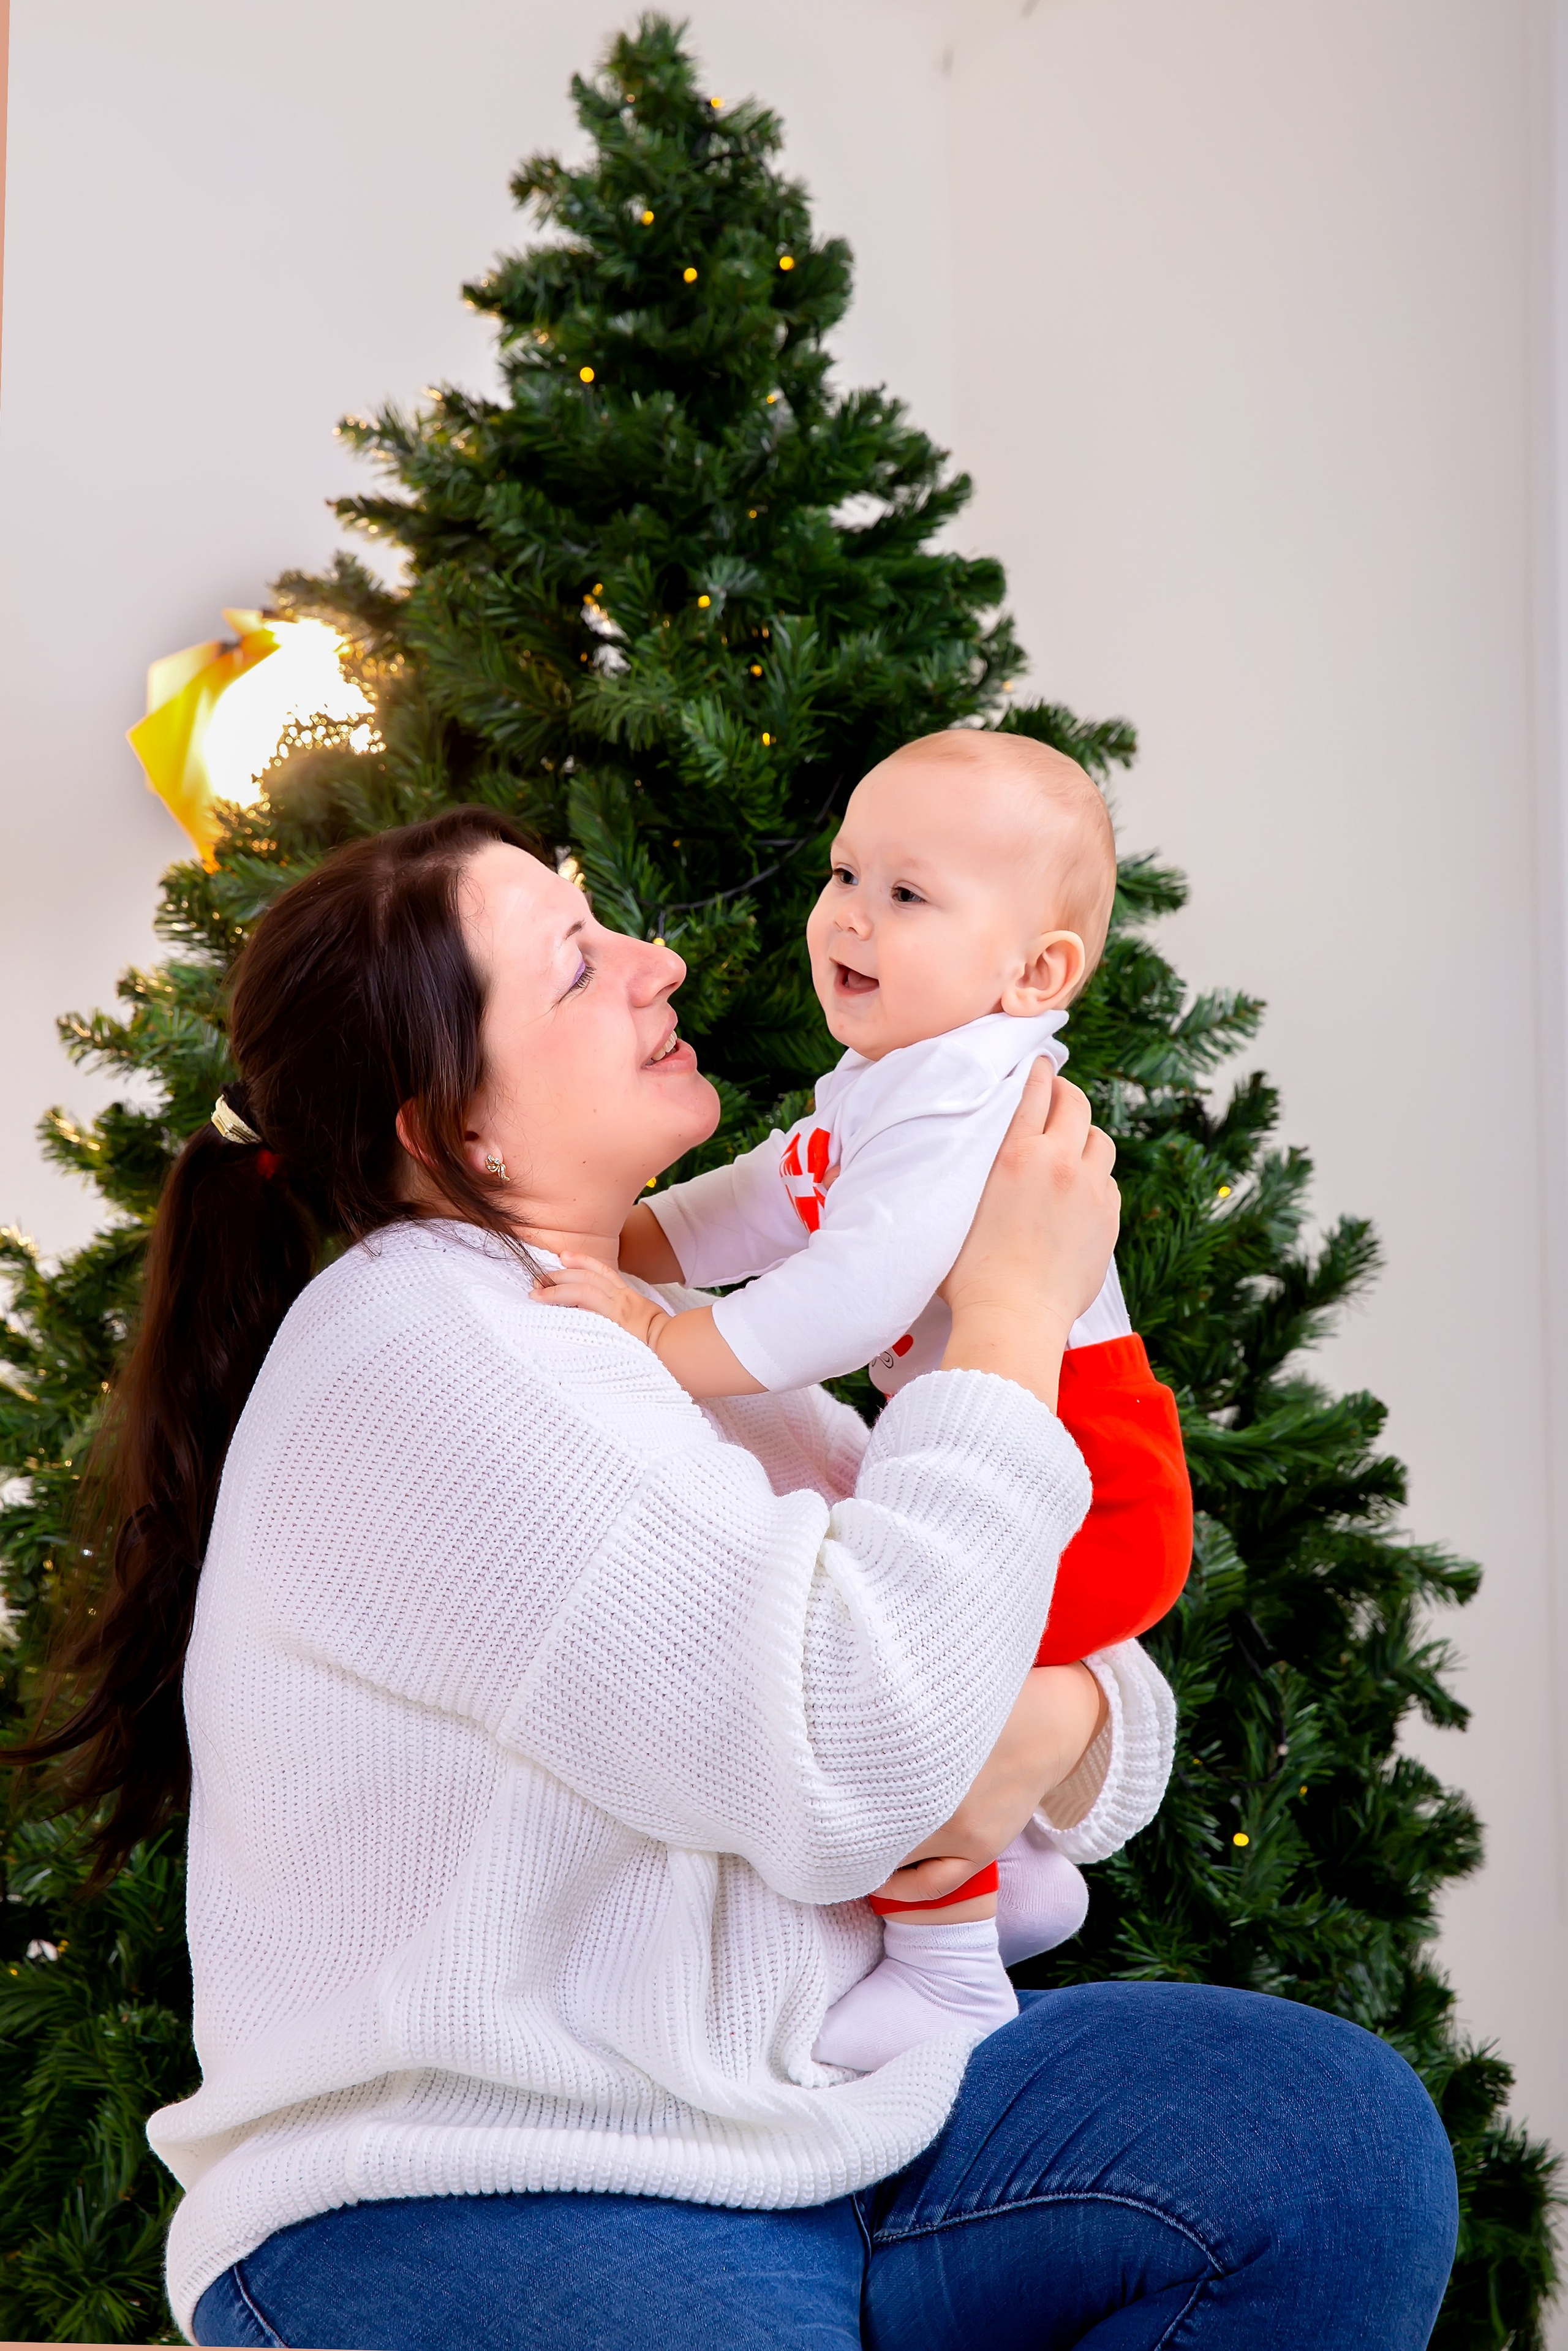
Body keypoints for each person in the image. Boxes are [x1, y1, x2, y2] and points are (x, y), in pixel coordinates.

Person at [10, 808, 1457, 2349]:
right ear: (456, 1131)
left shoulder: (679, 1341)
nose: (660, 961)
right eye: (577, 964)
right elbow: (861, 1747)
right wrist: (1012, 1321)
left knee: (1322, 2142)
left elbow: (1061, 1646)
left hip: (806, 2124)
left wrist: (1036, 1732)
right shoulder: (429, 1349)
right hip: (467, 2192)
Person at [533, 731, 1193, 2069]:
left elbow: (841, 1296)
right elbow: (775, 1189)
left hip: (1086, 1473)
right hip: (1038, 1445)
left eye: (908, 894)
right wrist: (632, 1244)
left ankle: (948, 1971)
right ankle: (1015, 1872)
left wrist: (660, 1339)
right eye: (845, 872)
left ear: (1034, 972)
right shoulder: (902, 1076)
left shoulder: (965, 1097)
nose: (846, 913)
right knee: (946, 1685)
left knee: (918, 1694)